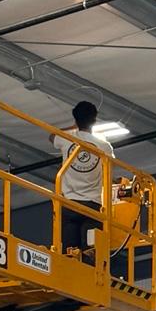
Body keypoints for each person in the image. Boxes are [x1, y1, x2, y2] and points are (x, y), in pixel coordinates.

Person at [53, 100, 114, 258]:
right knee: (91, 254)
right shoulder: (104, 146)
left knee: (69, 255)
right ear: (95, 120)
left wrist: (75, 128)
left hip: (69, 204)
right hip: (92, 206)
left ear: (75, 120)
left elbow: (51, 135)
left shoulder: (66, 139)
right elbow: (111, 168)